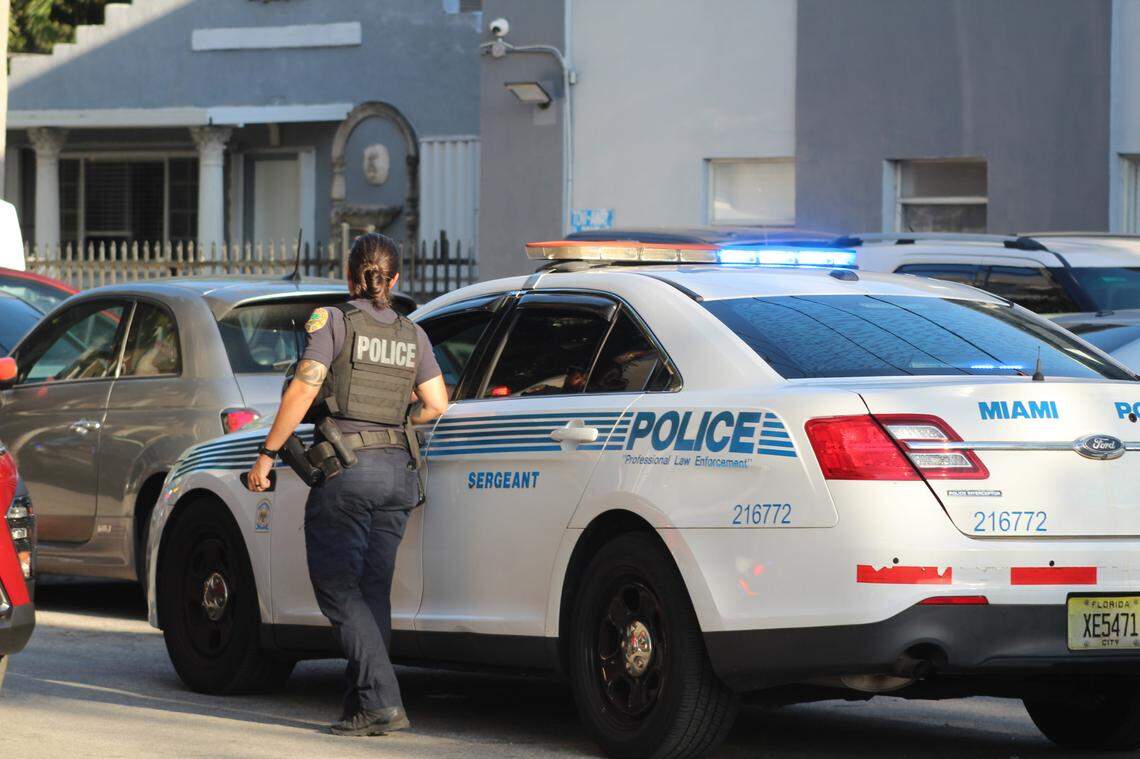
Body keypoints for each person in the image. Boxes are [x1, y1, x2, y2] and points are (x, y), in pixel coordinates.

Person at [245, 233, 448, 737]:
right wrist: (396, 419)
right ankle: (362, 704)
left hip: (349, 469)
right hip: (399, 470)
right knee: (371, 590)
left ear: (350, 276)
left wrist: (268, 453)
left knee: (336, 588)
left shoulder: (333, 321)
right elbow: (436, 405)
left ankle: (381, 702)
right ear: (395, 279)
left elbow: (307, 382)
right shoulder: (412, 333)